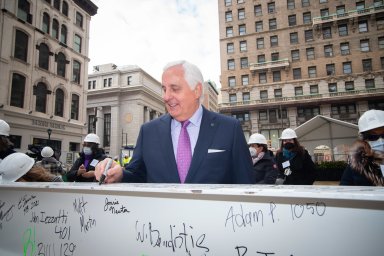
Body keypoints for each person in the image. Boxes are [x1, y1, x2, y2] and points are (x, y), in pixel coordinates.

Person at [95, 60, 254, 184]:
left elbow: (245, 183)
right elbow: (137, 174)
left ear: (197, 90)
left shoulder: (229, 129)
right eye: (164, 89)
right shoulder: (148, 132)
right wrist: (119, 173)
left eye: (175, 89)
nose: (165, 96)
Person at [340, 109, 384, 186]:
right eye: (372, 136)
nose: (380, 140)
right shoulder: (356, 165)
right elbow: (344, 189)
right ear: (364, 140)